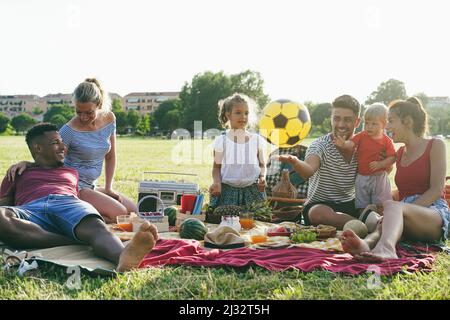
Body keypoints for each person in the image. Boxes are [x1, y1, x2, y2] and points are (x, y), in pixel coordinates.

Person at [0, 123, 158, 272]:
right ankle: (70, 240)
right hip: (31, 210)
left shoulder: (72, 172)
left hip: (67, 203)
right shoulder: (18, 172)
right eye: (56, 142)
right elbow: (4, 204)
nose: (63, 146)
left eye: (62, 142)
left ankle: (123, 257)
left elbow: (88, 192)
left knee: (95, 226)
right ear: (38, 148)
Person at [7, 78, 137, 223]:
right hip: (74, 186)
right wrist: (28, 164)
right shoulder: (69, 130)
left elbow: (111, 156)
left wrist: (108, 188)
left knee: (134, 211)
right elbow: (51, 156)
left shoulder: (109, 118)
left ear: (99, 104)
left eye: (88, 112)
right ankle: (82, 221)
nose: (83, 117)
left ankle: (92, 214)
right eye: (78, 111)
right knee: (120, 214)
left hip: (92, 185)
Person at [340, 97, 450, 261]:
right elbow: (406, 190)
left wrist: (399, 209)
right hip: (406, 213)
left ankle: (386, 249)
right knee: (385, 216)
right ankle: (366, 244)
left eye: (391, 121)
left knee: (392, 209)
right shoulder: (399, 154)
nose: (388, 127)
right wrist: (385, 202)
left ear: (408, 122)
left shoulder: (435, 145)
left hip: (433, 214)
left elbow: (436, 190)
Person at [276, 94, 361, 228]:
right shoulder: (320, 145)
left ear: (357, 122)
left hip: (350, 204)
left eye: (347, 120)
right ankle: (362, 225)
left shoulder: (362, 146)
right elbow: (308, 170)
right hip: (321, 205)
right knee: (317, 214)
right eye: (336, 118)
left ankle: (359, 223)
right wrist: (296, 161)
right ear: (331, 119)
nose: (341, 124)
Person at [333, 103, 396, 217]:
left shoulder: (386, 141)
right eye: (367, 123)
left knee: (381, 204)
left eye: (374, 124)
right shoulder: (362, 136)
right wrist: (343, 144)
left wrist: (381, 164)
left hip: (379, 176)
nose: (369, 127)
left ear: (384, 124)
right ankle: (364, 221)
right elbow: (351, 144)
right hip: (362, 177)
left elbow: (392, 158)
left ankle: (381, 222)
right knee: (362, 204)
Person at [208, 93, 267, 208]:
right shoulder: (222, 141)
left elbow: (262, 165)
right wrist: (217, 183)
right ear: (228, 115)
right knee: (227, 223)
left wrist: (262, 177)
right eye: (238, 112)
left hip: (253, 192)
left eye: (246, 113)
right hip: (227, 192)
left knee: (256, 223)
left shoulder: (256, 140)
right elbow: (216, 168)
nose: (243, 116)